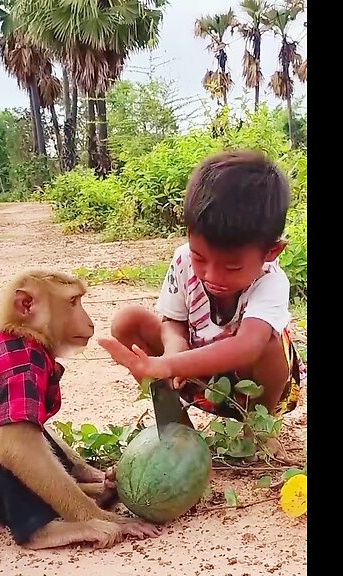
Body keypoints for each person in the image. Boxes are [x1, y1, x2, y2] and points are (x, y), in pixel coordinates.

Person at [99, 149, 305, 430]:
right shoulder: (183, 259)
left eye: (232, 267)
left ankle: (258, 428)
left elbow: (247, 347)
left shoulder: (271, 280)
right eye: (200, 257)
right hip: (199, 381)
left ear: (271, 251)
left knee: (270, 343)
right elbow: (173, 322)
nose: (211, 275)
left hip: (252, 391)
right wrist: (174, 351)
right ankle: (178, 430)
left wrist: (170, 366)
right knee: (129, 321)